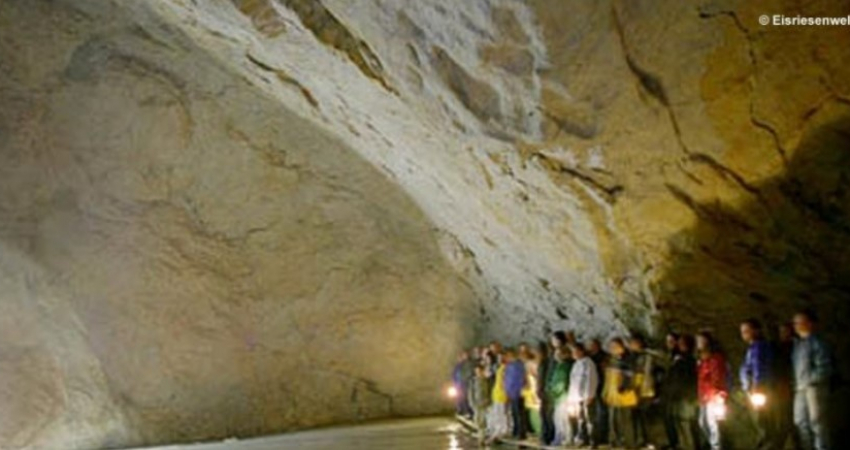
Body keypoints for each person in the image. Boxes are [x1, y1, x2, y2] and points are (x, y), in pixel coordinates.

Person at [792, 310, 833, 450]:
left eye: (799, 322)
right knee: (800, 421)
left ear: (809, 324)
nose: (796, 325)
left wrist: (811, 380)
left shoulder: (818, 343)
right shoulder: (798, 345)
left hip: (814, 388)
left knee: (817, 423)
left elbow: (825, 366)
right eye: (795, 322)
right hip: (801, 388)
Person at [739, 318, 776, 450]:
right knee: (759, 420)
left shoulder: (760, 347)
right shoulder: (752, 348)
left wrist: (756, 386)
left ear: (756, 330)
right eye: (742, 331)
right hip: (753, 389)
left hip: (760, 389)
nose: (744, 334)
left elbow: (759, 367)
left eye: (747, 331)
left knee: (763, 419)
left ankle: (768, 445)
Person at [663, 334, 700, 450]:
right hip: (677, 396)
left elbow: (688, 379)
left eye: (683, 344)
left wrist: (690, 395)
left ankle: (693, 446)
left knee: (688, 423)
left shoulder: (690, 361)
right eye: (679, 344)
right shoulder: (678, 359)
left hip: (686, 397)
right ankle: (683, 445)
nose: (680, 346)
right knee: (679, 422)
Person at [603, 338, 638, 449]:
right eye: (610, 347)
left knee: (626, 420)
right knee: (614, 420)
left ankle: (629, 444)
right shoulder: (612, 360)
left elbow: (631, 375)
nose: (612, 349)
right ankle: (615, 441)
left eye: (614, 346)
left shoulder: (628, 359)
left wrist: (625, 387)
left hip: (625, 395)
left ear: (621, 346)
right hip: (613, 395)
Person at [696, 331, 728, 450]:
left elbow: (718, 377)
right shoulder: (702, 360)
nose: (698, 343)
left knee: (713, 424)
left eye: (700, 340)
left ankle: (716, 447)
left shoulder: (716, 358)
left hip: (714, 396)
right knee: (703, 422)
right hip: (704, 396)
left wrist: (718, 395)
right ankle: (713, 445)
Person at [567, 343, 599, 448]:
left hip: (586, 396)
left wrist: (589, 395)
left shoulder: (588, 364)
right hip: (577, 397)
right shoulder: (576, 364)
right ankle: (583, 438)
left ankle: (593, 441)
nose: (573, 354)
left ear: (581, 351)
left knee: (590, 419)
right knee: (581, 420)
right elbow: (573, 381)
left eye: (575, 352)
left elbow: (591, 379)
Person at [630, 335, 658, 449]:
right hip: (634, 391)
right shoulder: (632, 357)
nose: (632, 346)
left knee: (647, 417)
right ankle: (638, 439)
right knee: (635, 417)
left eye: (634, 343)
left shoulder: (648, 356)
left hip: (646, 390)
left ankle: (650, 440)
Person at [773, 323, 796, 450]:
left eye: (786, 331)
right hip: (780, 388)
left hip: (790, 387)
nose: (783, 334)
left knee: (789, 419)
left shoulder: (795, 347)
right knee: (783, 419)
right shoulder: (777, 348)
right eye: (781, 331)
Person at [549, 346, 574, 445]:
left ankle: (565, 438)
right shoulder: (558, 366)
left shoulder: (565, 366)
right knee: (557, 418)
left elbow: (562, 382)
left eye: (559, 354)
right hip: (558, 397)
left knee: (563, 419)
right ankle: (559, 436)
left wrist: (554, 392)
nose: (557, 356)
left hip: (563, 396)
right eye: (556, 354)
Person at [588, 338, 610, 446]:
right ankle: (595, 436)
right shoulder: (590, 358)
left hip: (601, 386)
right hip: (593, 388)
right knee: (594, 414)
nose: (591, 347)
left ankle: (603, 436)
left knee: (602, 412)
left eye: (593, 345)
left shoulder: (603, 357)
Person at [504, 348, 529, 440]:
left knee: (519, 413)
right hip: (511, 392)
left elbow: (520, 379)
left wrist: (518, 390)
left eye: (508, 355)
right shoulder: (509, 365)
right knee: (514, 413)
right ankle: (516, 430)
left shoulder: (519, 365)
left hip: (517, 392)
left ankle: (521, 433)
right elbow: (507, 379)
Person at [486, 351, 511, 444]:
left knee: (502, 413)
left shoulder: (506, 368)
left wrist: (507, 393)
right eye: (499, 358)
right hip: (496, 393)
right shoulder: (499, 368)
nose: (500, 359)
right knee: (497, 413)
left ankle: (502, 430)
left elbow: (506, 382)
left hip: (502, 394)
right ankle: (497, 430)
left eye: (502, 357)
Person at [537, 339, 555, 446]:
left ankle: (549, 436)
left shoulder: (549, 363)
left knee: (548, 415)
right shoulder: (542, 363)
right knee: (543, 414)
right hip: (542, 391)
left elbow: (546, 377)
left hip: (547, 391)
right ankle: (544, 435)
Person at [470, 364, 492, 444]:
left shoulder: (486, 380)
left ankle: (481, 438)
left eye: (479, 371)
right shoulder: (473, 381)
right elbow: (471, 393)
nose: (478, 373)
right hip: (477, 403)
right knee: (477, 420)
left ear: (482, 371)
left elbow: (489, 391)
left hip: (484, 402)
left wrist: (489, 401)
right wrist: (472, 403)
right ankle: (481, 435)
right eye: (476, 371)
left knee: (483, 421)